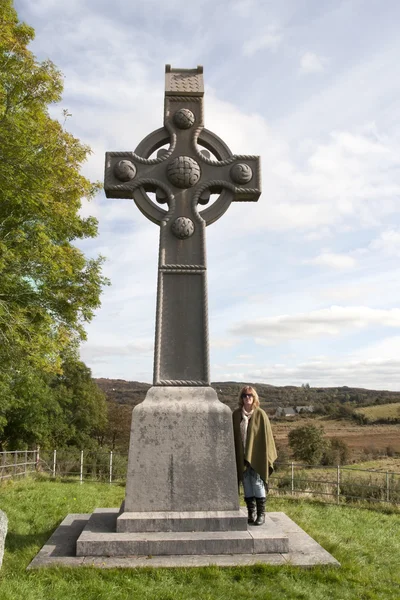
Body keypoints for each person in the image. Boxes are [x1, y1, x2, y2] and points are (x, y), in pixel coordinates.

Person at [232, 385, 277, 526]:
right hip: (242, 454)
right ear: (241, 398)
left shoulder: (260, 414)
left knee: (257, 483)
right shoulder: (236, 415)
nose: (247, 398)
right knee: (246, 483)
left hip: (257, 455)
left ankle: (261, 514)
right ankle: (251, 513)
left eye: (250, 395)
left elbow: (266, 438)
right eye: (244, 395)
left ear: (254, 397)